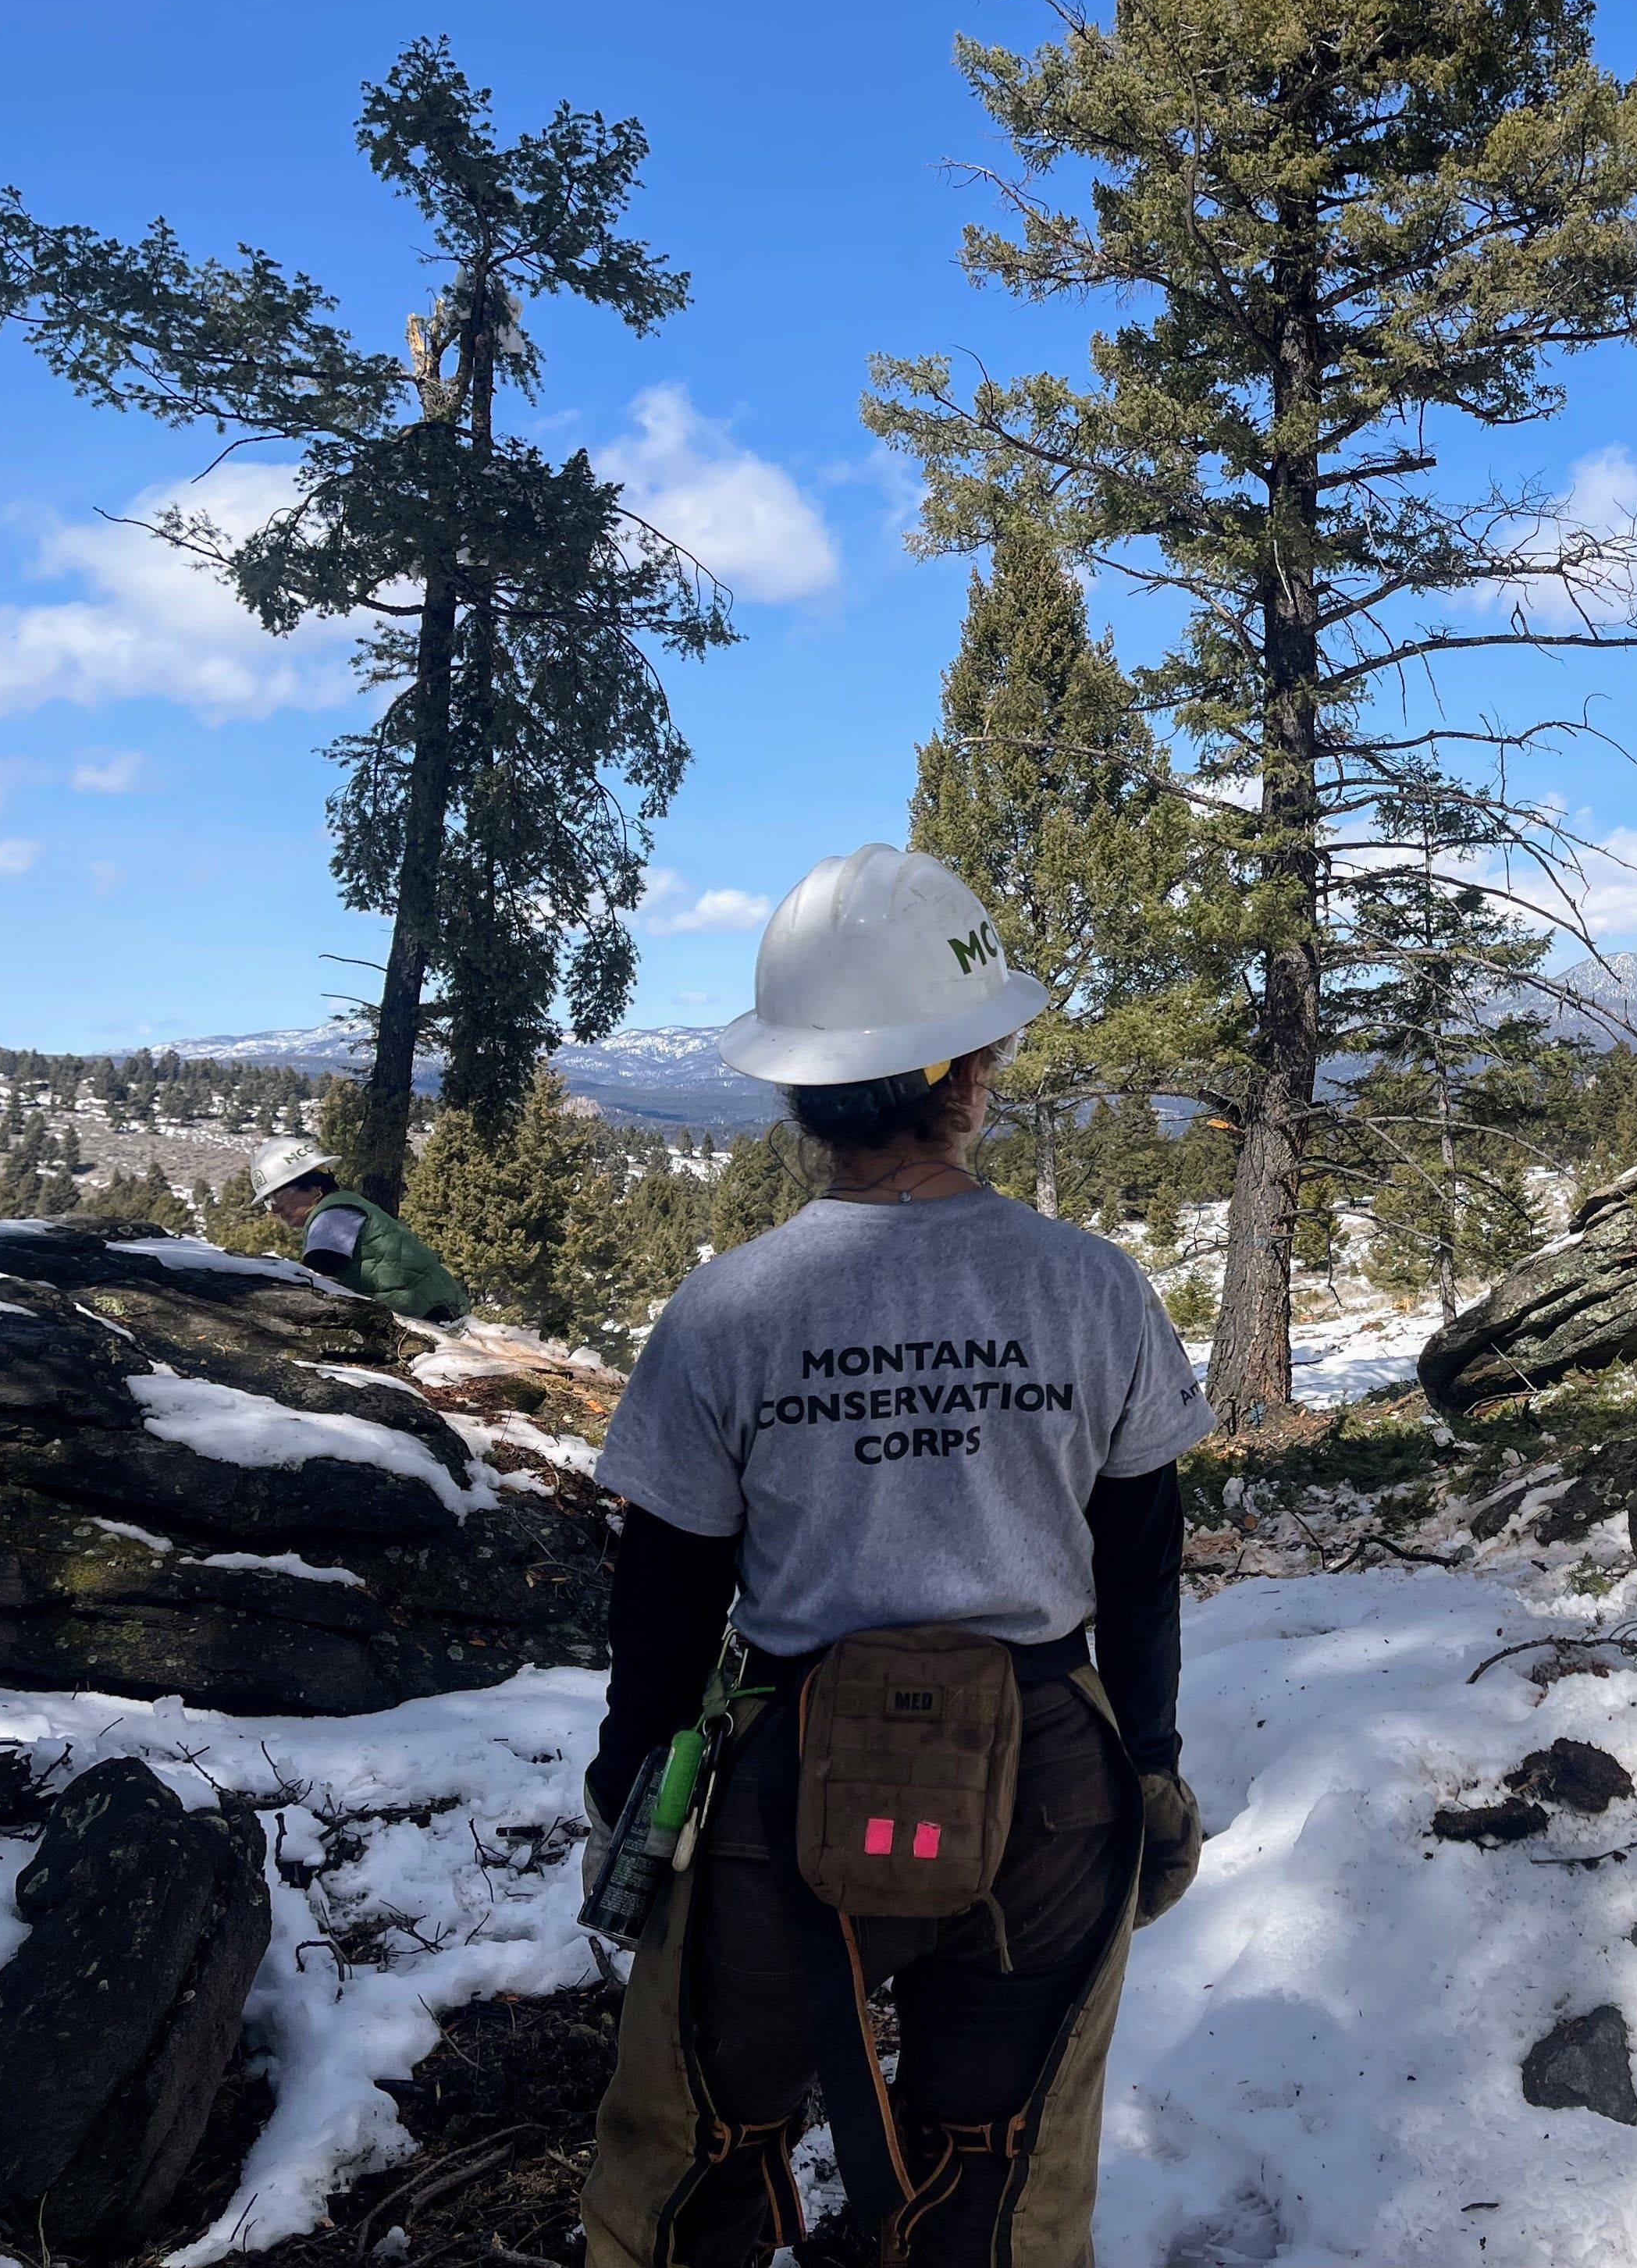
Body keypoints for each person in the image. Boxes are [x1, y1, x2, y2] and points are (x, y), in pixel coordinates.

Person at [580, 844, 1211, 2268]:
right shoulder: (1086, 1284)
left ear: (800, 1084)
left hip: (785, 1781)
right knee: (997, 2168)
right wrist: (1149, 1757)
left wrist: (635, 1783)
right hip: (1042, 1780)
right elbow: (1139, 1552)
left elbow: (667, 1584)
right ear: (968, 1061)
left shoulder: (726, 1309)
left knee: (698, 2148)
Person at [244, 1138, 470, 1322]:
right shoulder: (342, 1206)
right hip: (438, 1309)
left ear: (314, 1185)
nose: (274, 1209)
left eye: (278, 1196)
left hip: (429, 1315)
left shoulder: (332, 1215)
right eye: (268, 1201)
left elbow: (314, 1279)